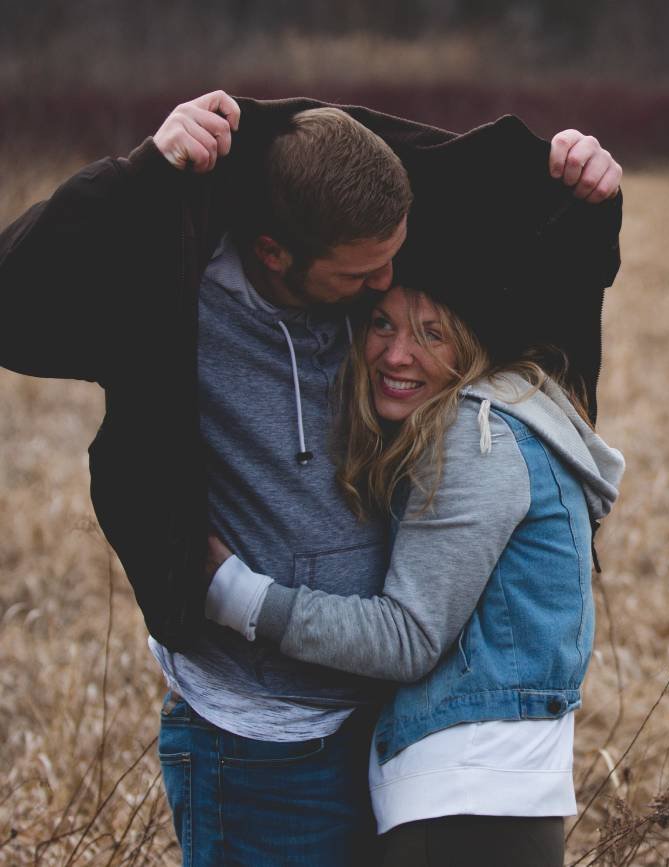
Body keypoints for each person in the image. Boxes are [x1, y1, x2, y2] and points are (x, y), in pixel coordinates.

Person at [0, 90, 623, 865]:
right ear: (274, 253)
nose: (387, 281)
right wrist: (143, 172)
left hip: (383, 726)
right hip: (259, 738)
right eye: (362, 275)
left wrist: (587, 190)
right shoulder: (171, 295)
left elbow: (529, 254)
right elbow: (13, 294)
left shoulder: (366, 268)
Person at [203, 270, 623, 865]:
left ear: (472, 344)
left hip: (463, 801)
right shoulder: (518, 416)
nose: (397, 354)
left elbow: (408, 638)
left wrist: (237, 596)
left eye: (432, 334)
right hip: (493, 796)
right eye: (383, 324)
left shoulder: (478, 436)